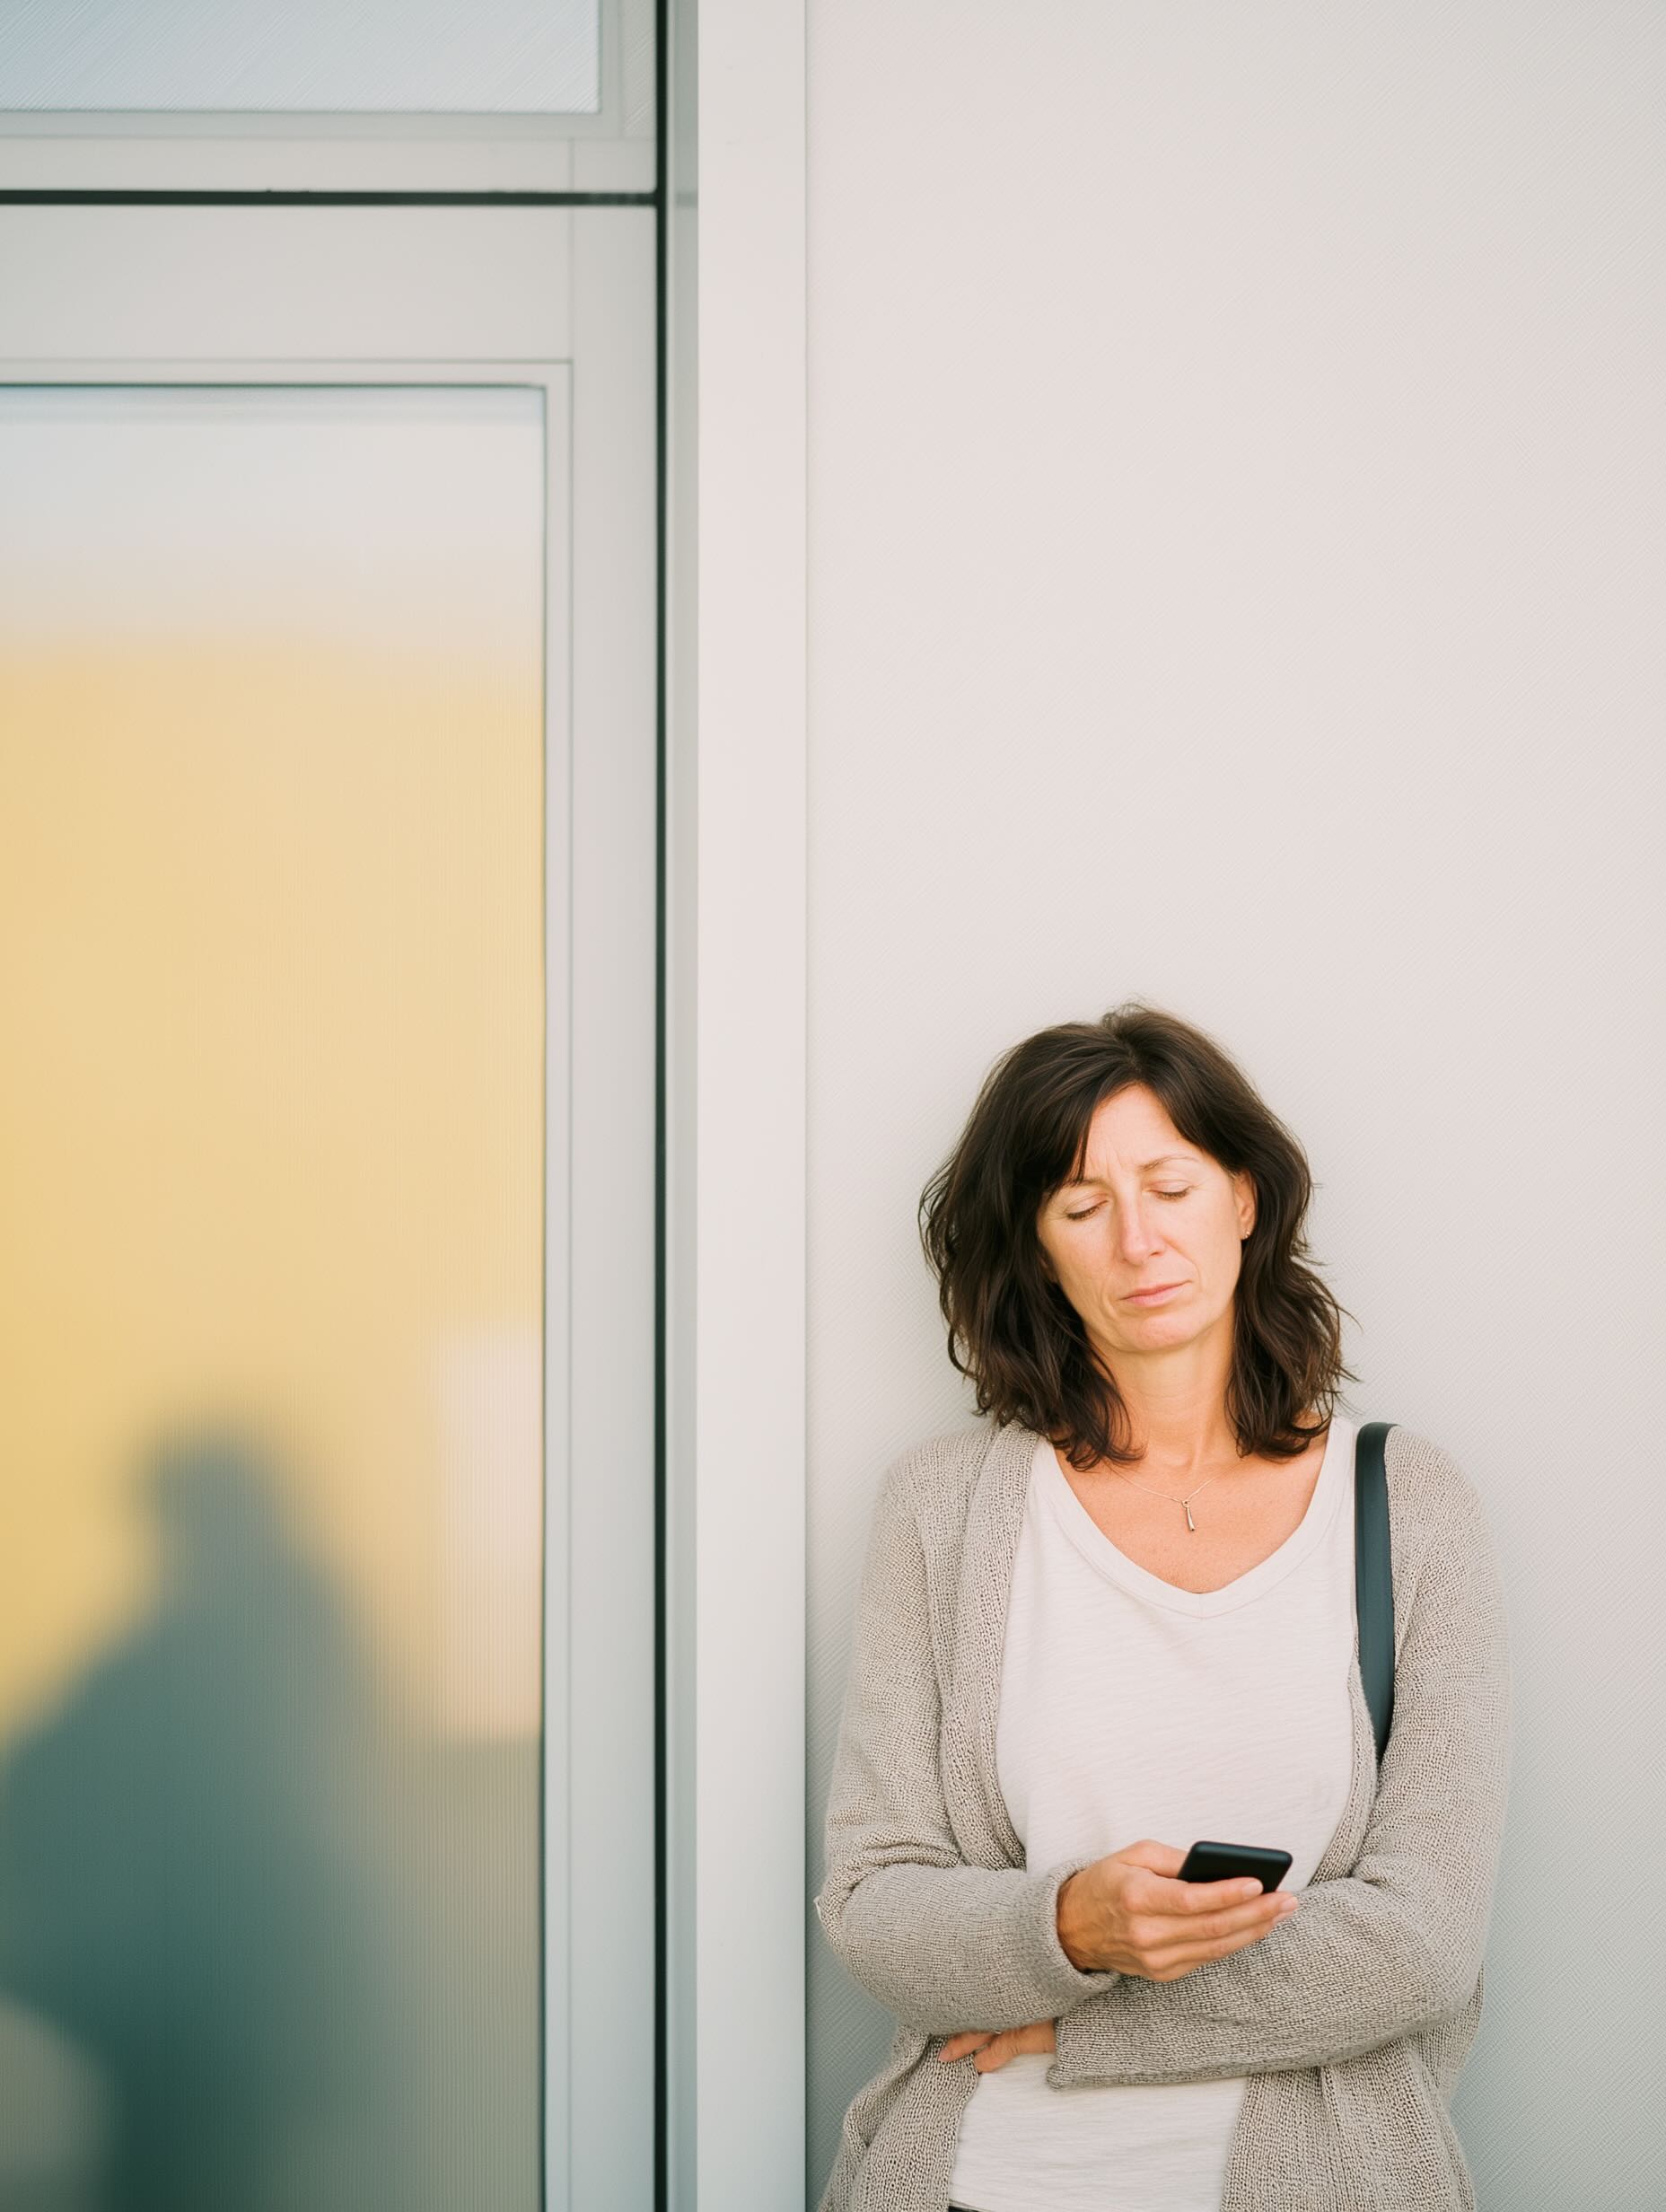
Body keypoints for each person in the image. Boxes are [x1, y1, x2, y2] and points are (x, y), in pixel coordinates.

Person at [813, 1002, 1512, 2212]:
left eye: (1170, 1186)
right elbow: (873, 1904)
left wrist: (1084, 2020)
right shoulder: (940, 1510)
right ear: (1039, 1249)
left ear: (1243, 1198)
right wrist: (1072, 1920)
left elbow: (1424, 1942)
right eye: (1082, 1207)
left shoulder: (1410, 1506)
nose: (1138, 1240)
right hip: (979, 2178)